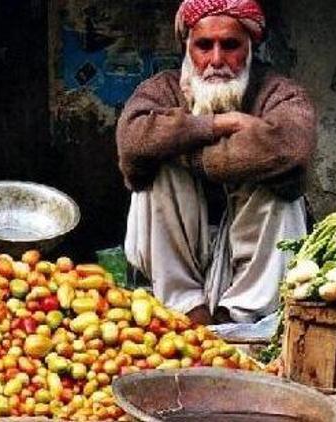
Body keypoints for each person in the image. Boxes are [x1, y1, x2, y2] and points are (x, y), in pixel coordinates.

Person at [115, 0, 317, 325]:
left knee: (278, 185)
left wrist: (181, 147)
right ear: (188, 48)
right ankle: (188, 315)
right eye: (204, 46)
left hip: (252, 252)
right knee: (156, 175)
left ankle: (237, 320)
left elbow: (290, 150)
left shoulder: (280, 93)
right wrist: (222, 125)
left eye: (231, 45)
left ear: (250, 47)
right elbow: (133, 141)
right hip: (184, 247)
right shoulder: (162, 89)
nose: (216, 60)